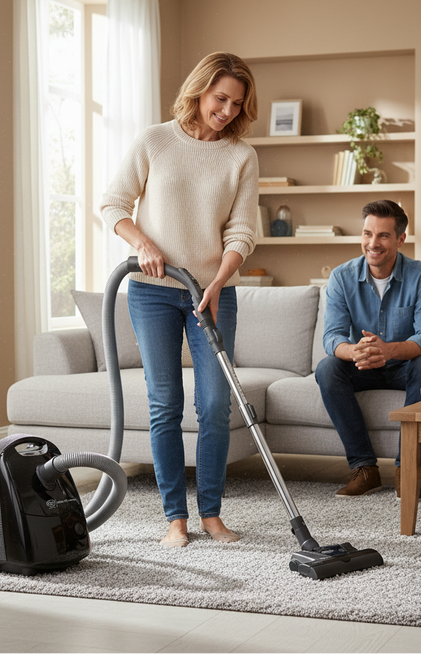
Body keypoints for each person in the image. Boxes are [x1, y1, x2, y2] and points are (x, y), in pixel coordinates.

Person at [100, 52, 259, 547]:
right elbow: (113, 203)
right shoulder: (154, 140)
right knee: (165, 403)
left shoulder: (241, 156)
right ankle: (176, 519)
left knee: (214, 405)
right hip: (151, 292)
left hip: (212, 294)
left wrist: (218, 280)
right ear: (199, 91)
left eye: (237, 103)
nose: (228, 110)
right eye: (221, 98)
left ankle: (211, 514)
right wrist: (142, 244)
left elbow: (242, 231)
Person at [315, 199, 421, 498]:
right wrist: (355, 351)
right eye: (367, 234)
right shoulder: (341, 277)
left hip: (405, 367)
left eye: (383, 235)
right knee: (327, 368)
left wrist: (390, 350)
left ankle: (407, 470)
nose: (373, 243)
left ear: (401, 238)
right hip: (362, 366)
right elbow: (332, 337)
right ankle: (365, 470)